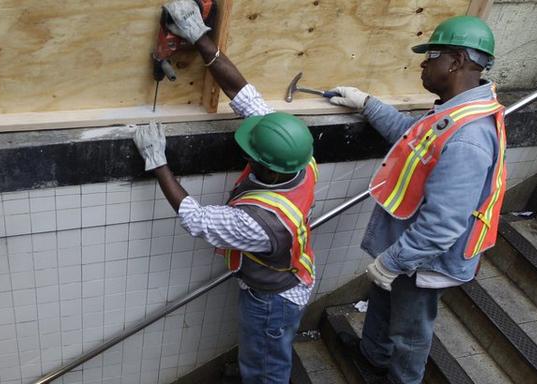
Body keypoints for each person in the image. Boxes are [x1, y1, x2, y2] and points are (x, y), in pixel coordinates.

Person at [132, 1, 319, 382]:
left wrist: (158, 162)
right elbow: (242, 91)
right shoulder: (299, 159)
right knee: (263, 359)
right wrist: (200, 36)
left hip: (273, 300)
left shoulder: (260, 222)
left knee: (265, 368)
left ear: (266, 165)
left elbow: (197, 220)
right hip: (293, 278)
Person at [327, 16, 505, 384]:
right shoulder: (453, 111)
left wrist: (393, 261)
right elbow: (414, 139)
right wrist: (368, 104)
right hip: (407, 244)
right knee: (382, 299)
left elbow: (443, 225)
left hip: (424, 257)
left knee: (410, 329)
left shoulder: (468, 138)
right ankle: (373, 356)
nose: (423, 63)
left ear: (456, 61)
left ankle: (402, 379)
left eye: (431, 55)